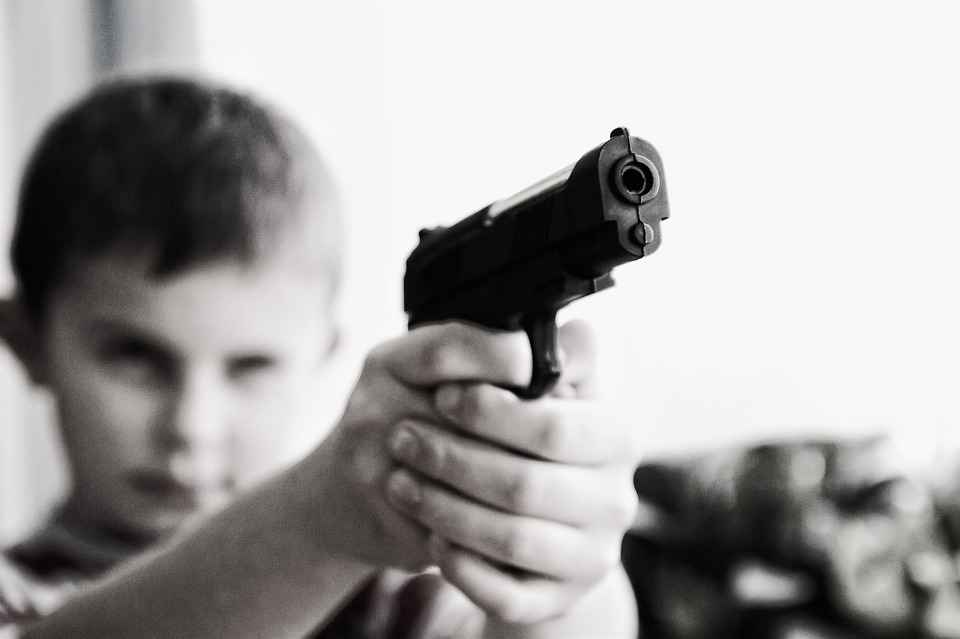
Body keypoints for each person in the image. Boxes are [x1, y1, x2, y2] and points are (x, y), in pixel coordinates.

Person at [0, 75, 641, 638]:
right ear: (26, 340)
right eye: (135, 358)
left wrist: (560, 569)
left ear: (324, 355)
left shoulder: (395, 602)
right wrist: (321, 518)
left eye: (251, 367)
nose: (192, 426)